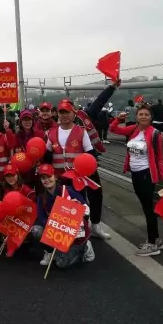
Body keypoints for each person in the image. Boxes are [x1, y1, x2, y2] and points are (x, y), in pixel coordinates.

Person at [109, 104, 163, 256]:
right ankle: (155, 239)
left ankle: (152, 244)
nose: (143, 117)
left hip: (147, 175)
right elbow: (113, 129)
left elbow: (160, 159)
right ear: (136, 117)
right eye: (140, 114)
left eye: (146, 115)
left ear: (151, 118)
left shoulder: (156, 134)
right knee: (146, 207)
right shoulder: (133, 130)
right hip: (135, 174)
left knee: (149, 209)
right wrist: (118, 119)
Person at [45, 100, 110, 240]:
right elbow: (47, 155)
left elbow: (90, 154)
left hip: (78, 177)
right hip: (60, 177)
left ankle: (94, 227)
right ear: (57, 115)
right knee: (63, 208)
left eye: (67, 112)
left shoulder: (81, 132)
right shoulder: (51, 133)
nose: (64, 116)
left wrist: (89, 172)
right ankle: (65, 238)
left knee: (90, 199)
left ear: (73, 114)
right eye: (61, 113)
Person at [31, 164, 94, 268]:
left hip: (75, 233)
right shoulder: (41, 197)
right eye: (43, 178)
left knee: (61, 264)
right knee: (36, 230)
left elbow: (87, 210)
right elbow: (41, 217)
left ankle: (86, 247)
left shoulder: (68, 191)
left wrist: (77, 206)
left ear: (55, 176)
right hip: (57, 231)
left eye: (49, 176)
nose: (46, 180)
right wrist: (53, 225)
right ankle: (50, 251)